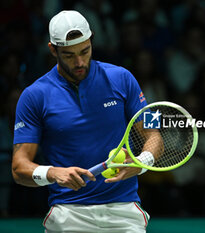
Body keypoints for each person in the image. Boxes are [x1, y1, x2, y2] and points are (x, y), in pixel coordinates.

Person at [12, 10, 156, 233]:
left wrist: (140, 163)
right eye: (69, 55)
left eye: (85, 51)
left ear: (91, 41)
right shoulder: (34, 96)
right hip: (68, 214)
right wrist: (53, 173)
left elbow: (153, 136)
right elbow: (19, 167)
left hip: (124, 211)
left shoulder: (121, 78)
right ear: (53, 50)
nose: (79, 62)